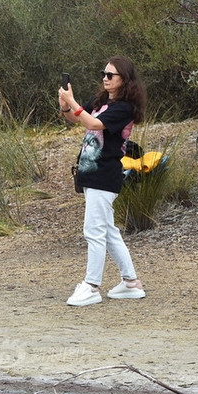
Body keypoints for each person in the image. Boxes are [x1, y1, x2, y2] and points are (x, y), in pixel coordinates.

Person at [58, 56, 146, 306]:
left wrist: (73, 103)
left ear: (124, 80)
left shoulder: (124, 108)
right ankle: (131, 283)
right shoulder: (102, 101)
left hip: (105, 175)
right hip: (91, 172)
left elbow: (95, 123)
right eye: (104, 74)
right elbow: (77, 118)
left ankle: (92, 285)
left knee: (94, 232)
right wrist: (66, 103)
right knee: (108, 231)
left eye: (111, 75)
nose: (105, 79)